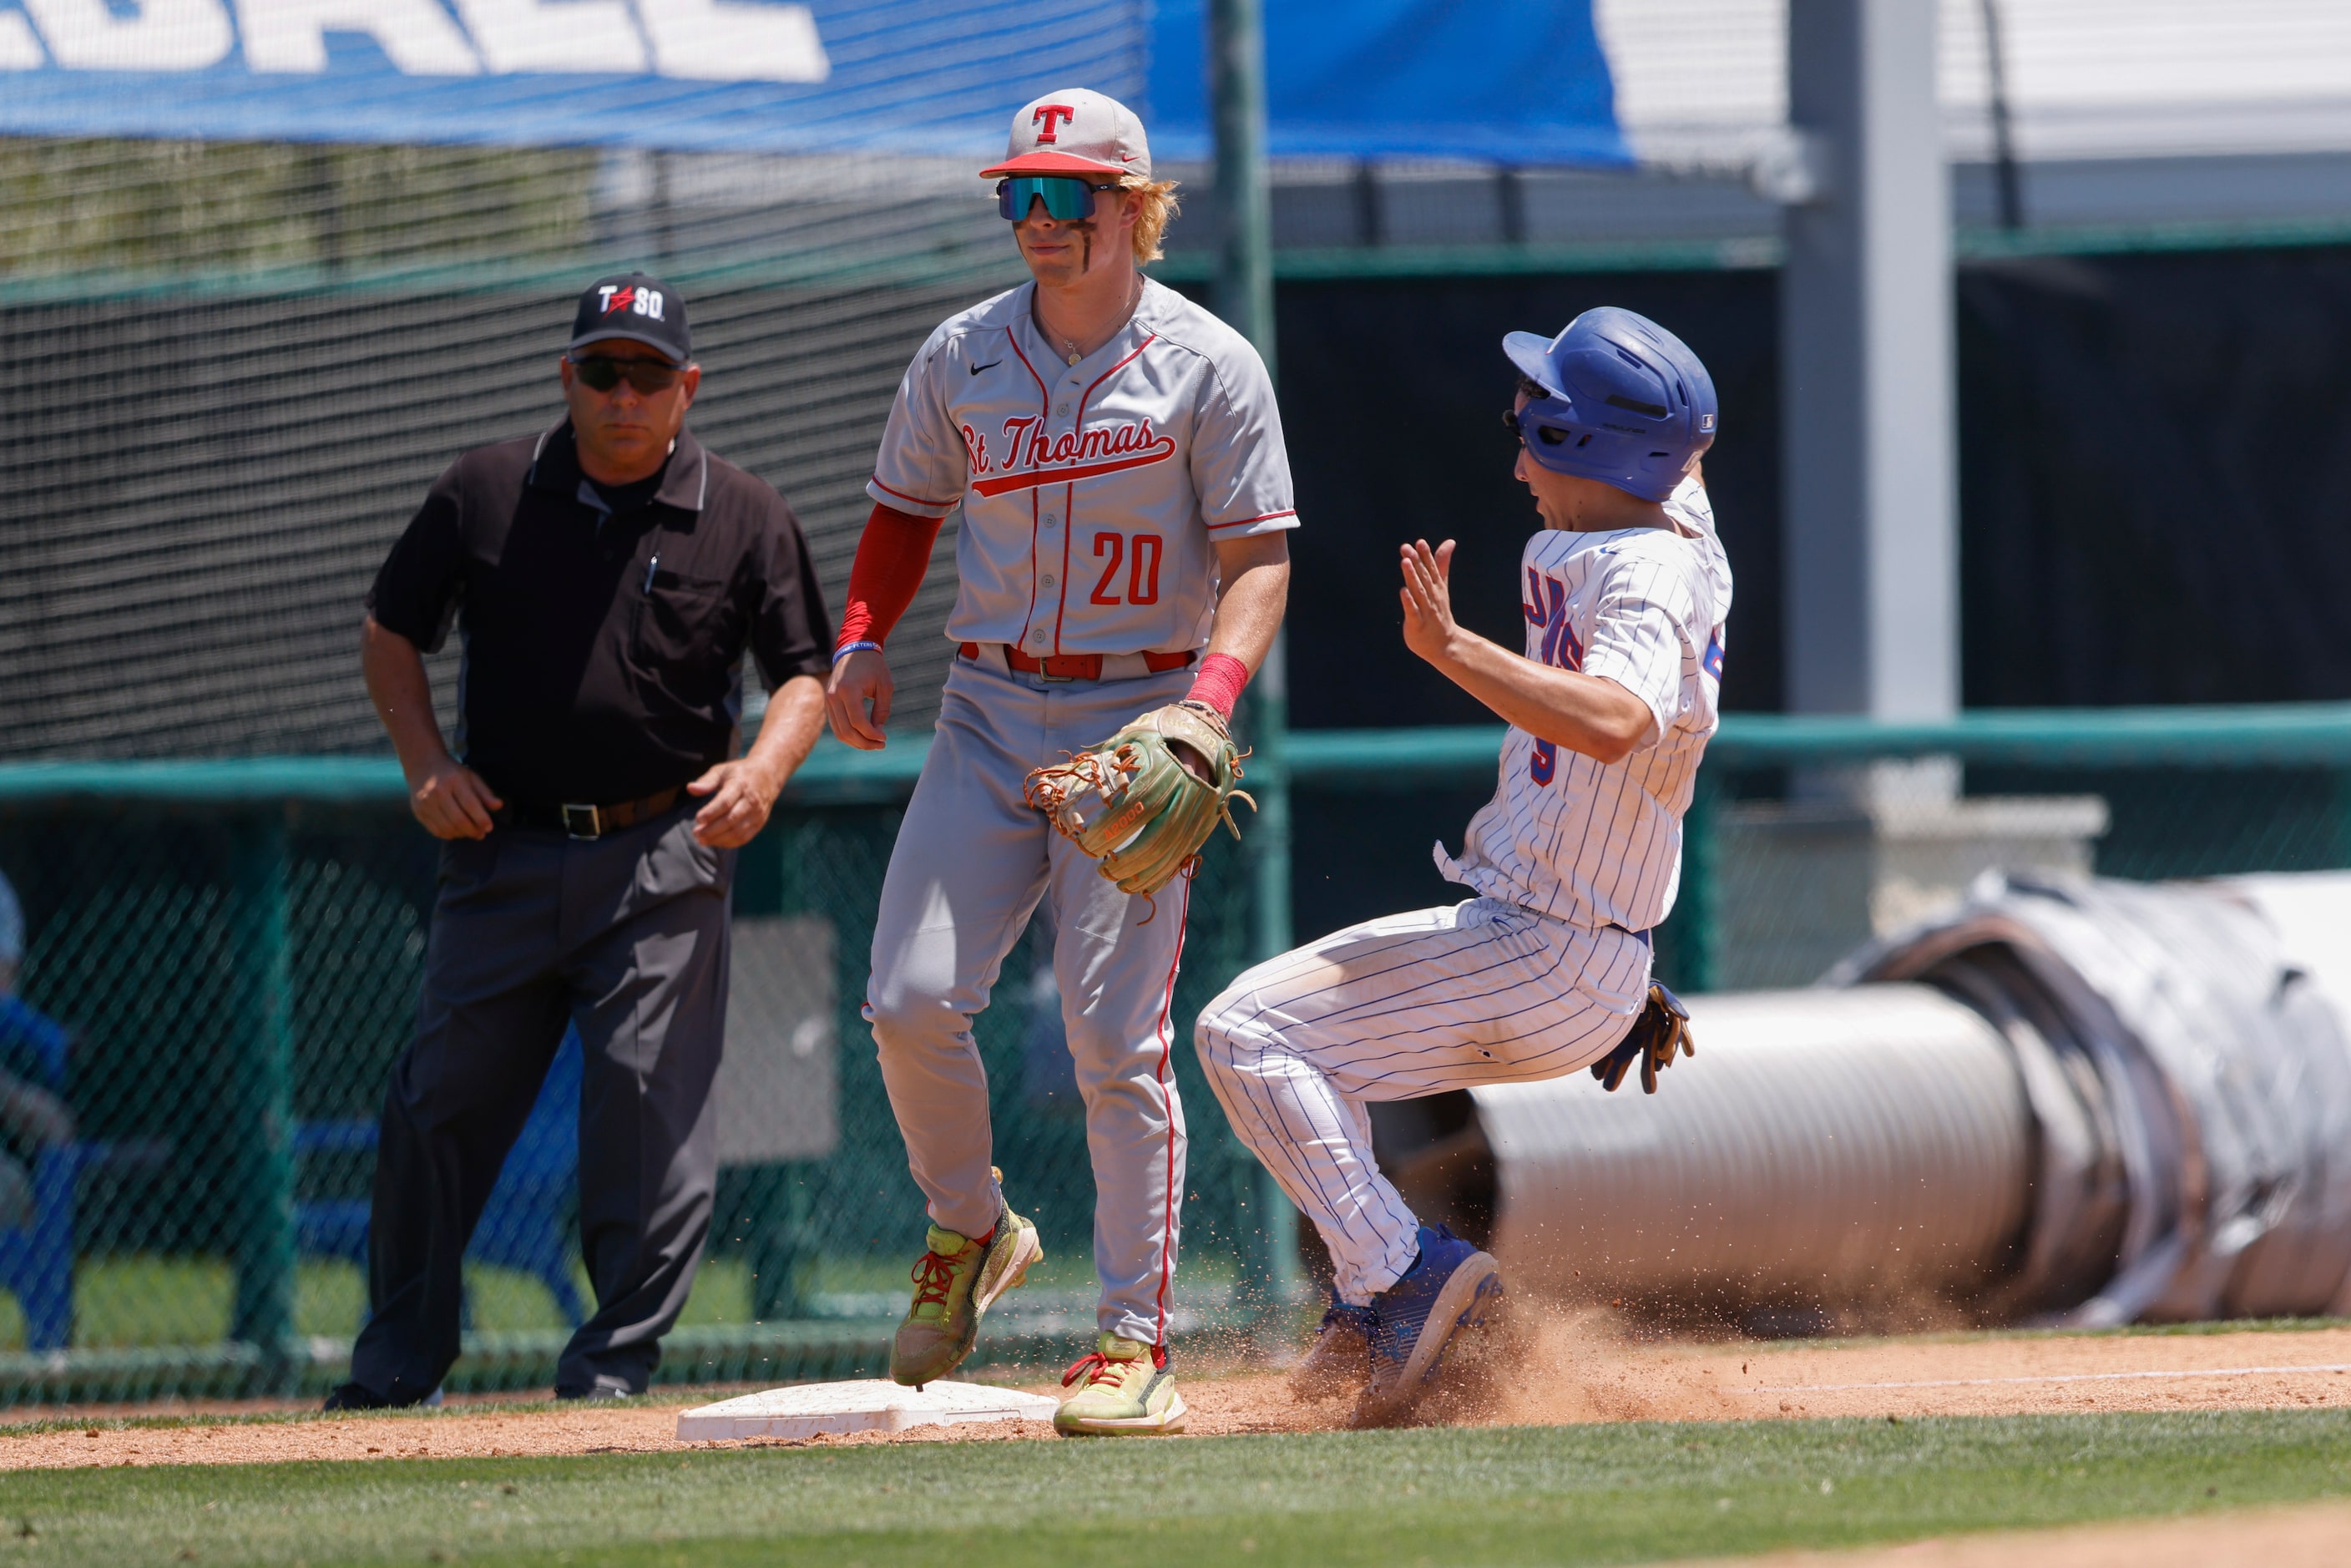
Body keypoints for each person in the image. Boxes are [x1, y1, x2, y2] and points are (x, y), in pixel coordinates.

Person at [826, 89, 1294, 1436]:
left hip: (1137, 715)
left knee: (1110, 1038)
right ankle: (971, 1227)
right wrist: (861, 639)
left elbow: (1260, 559)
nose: (1034, 220)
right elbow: (903, 511)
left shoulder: (1210, 363)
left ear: (1132, 209)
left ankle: (1131, 1339)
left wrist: (1206, 705)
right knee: (910, 998)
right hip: (985, 707)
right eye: (1015, 196)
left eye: (1062, 195)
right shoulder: (962, 353)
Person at [1195, 306, 1730, 1427]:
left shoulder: (1644, 571)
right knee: (1291, 1050)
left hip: (1544, 944)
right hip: (1573, 943)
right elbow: (1688, 445)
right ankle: (1380, 1286)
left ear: (1590, 449)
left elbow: (1619, 718)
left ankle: (1405, 1277)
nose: (1519, 438)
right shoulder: (1664, 510)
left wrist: (1453, 650)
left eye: (1538, 417)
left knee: (1246, 1032)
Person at [331, 272, 833, 1407]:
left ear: (687, 387)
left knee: (650, 1118)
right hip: (500, 845)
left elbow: (803, 669)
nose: (623, 393)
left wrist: (764, 767)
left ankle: (608, 1368)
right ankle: (399, 1361)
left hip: (661, 852)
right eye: (601, 370)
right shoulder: (486, 490)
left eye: (647, 373)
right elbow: (389, 628)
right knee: (436, 1101)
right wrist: (424, 763)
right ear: (566, 378)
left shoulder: (744, 510)